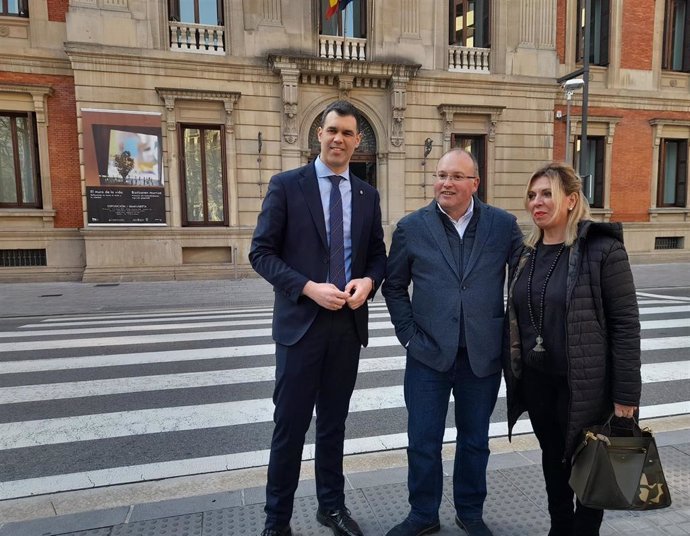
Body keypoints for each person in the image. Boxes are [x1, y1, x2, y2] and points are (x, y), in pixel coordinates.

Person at [249, 100, 387, 536]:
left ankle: (331, 507)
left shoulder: (367, 194)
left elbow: (378, 256)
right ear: (318, 134)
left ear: (357, 140)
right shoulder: (288, 186)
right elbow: (261, 253)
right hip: (300, 327)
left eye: (347, 133)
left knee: (333, 425)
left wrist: (367, 282)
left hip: (346, 327)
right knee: (289, 428)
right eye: (331, 130)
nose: (338, 139)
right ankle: (277, 521)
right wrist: (307, 287)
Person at [383, 148, 523, 536]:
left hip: (482, 355)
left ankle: (470, 513)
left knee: (475, 441)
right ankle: (423, 513)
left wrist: (512, 333)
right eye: (441, 175)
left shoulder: (502, 225)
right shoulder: (411, 227)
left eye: (456, 176)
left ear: (474, 183)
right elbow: (393, 286)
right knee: (422, 441)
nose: (446, 183)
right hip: (427, 354)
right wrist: (408, 336)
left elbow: (527, 279)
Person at [503, 162, 641, 536]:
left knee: (591, 464)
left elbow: (626, 326)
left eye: (547, 193)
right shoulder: (526, 254)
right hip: (539, 383)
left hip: (585, 384)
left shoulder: (602, 249)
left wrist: (626, 395)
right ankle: (559, 527)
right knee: (553, 460)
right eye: (532, 195)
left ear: (571, 200)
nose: (537, 202)